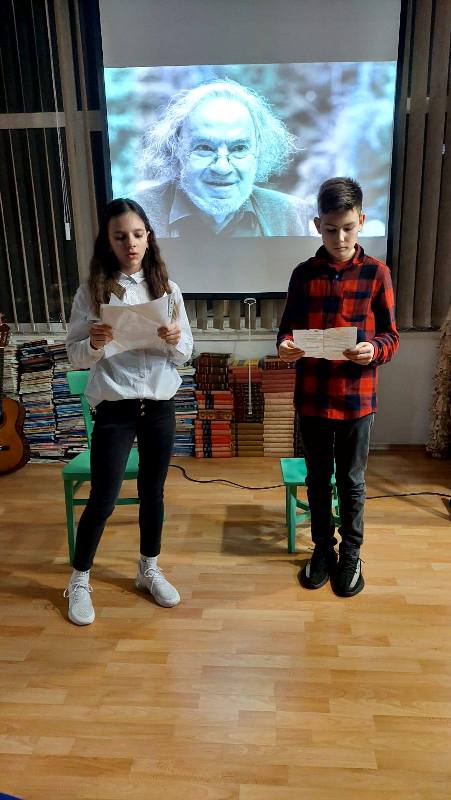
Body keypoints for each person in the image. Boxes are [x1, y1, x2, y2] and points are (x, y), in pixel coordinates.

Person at [64, 198, 193, 625]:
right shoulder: (91, 291)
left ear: (149, 237)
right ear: (108, 241)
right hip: (115, 408)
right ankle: (79, 578)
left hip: (159, 405)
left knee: (153, 493)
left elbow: (185, 353)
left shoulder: (168, 289)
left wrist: (174, 339)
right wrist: (94, 343)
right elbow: (75, 355)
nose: (131, 243)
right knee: (103, 497)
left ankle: (148, 568)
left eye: (137, 234)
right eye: (120, 237)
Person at [277, 177, 399, 597]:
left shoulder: (377, 273)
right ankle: (322, 550)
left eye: (348, 228)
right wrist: (286, 348)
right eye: (331, 230)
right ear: (317, 225)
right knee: (316, 479)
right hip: (312, 397)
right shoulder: (303, 275)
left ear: (361, 221)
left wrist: (373, 349)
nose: (340, 238)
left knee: (351, 481)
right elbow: (285, 333)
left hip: (356, 400)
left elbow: (391, 337)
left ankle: (351, 553)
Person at [135, 79, 311, 237]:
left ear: (258, 150)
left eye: (239, 148)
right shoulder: (135, 213)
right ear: (176, 149)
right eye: (204, 148)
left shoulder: (291, 215)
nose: (222, 168)